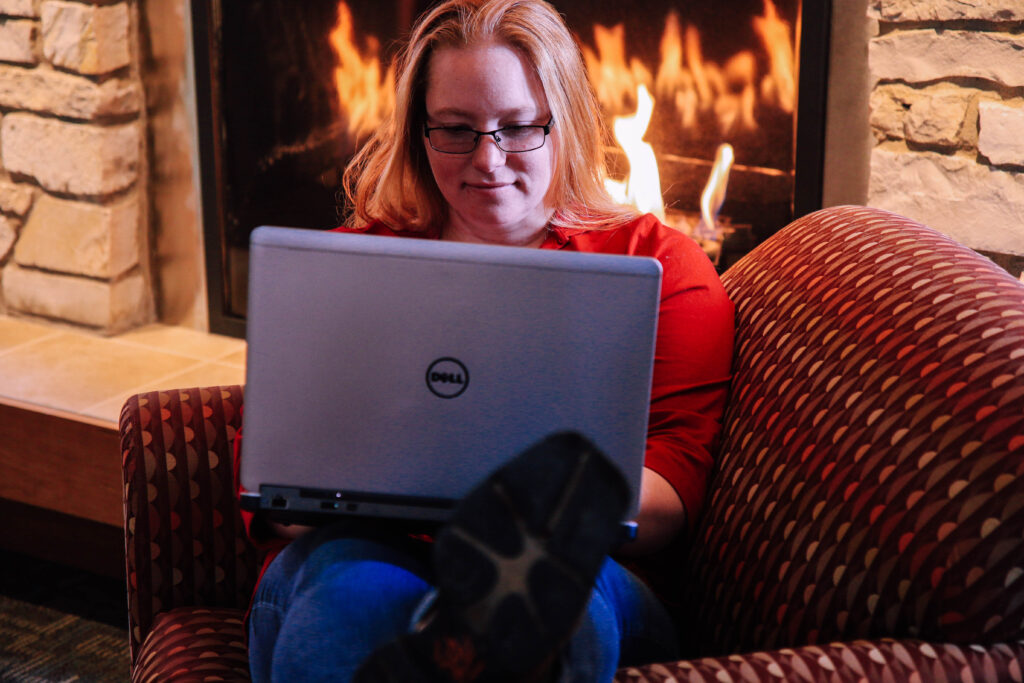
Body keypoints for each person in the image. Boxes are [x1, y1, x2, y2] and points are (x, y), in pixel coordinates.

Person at [239, 0, 734, 680]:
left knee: (548, 602)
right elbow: (271, 470)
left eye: (518, 127)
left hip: (577, 564)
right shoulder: (350, 265)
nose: (488, 160)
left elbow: (673, 485)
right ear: (420, 131)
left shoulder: (660, 266)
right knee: (346, 602)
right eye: (456, 129)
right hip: (367, 550)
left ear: (565, 119)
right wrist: (323, 493)